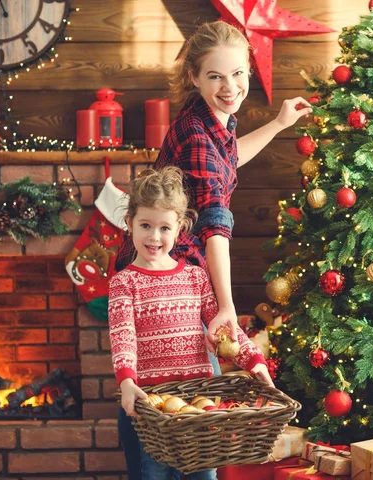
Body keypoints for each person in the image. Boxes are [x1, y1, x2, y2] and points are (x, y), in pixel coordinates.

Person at [109, 167, 273, 480]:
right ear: (129, 223)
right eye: (145, 225)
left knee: (203, 475)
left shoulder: (195, 277)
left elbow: (225, 329)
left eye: (164, 228)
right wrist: (127, 381)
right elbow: (123, 337)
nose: (154, 237)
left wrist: (254, 360)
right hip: (153, 406)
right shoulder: (125, 282)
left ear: (180, 227)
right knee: (153, 473)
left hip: (199, 403)